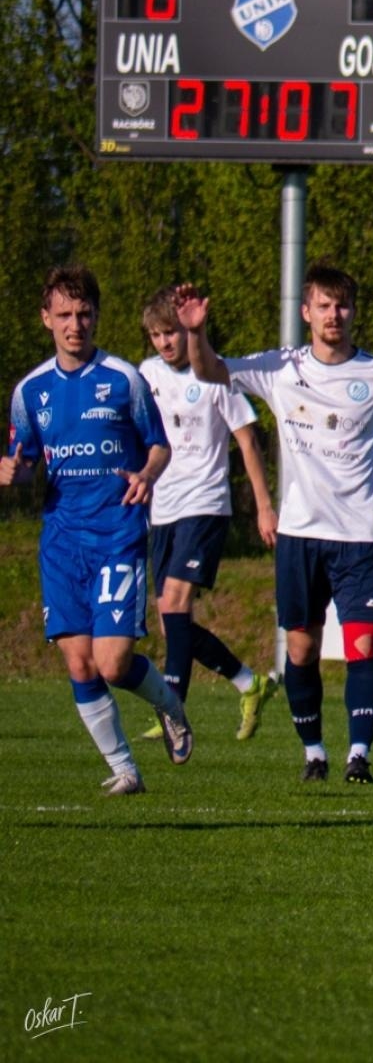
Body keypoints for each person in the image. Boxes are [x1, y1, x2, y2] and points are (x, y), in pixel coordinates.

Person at [173, 263, 373, 784]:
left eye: (342, 306)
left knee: (363, 646)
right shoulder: (281, 368)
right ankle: (314, 752)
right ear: (306, 313)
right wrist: (195, 332)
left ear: (353, 313)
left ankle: (358, 755)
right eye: (324, 306)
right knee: (301, 650)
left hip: (360, 538)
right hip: (300, 537)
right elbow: (210, 371)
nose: (334, 315)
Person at [2, 266, 193, 794]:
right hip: (62, 542)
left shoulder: (124, 379)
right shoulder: (29, 391)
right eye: (63, 314)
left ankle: (167, 703)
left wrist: (148, 474)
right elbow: (25, 459)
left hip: (117, 533)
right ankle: (124, 769)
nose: (74, 324)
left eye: (84, 313)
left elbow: (159, 444)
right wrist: (14, 473)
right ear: (46, 319)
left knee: (112, 663)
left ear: (96, 317)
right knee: (78, 661)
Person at [135, 285, 277, 742]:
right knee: (172, 622)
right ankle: (247, 682)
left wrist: (263, 505)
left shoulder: (215, 374)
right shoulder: (146, 374)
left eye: (171, 332)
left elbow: (248, 440)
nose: (164, 343)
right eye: (156, 335)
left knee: (176, 604)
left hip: (205, 504)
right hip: (163, 509)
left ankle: (171, 710)